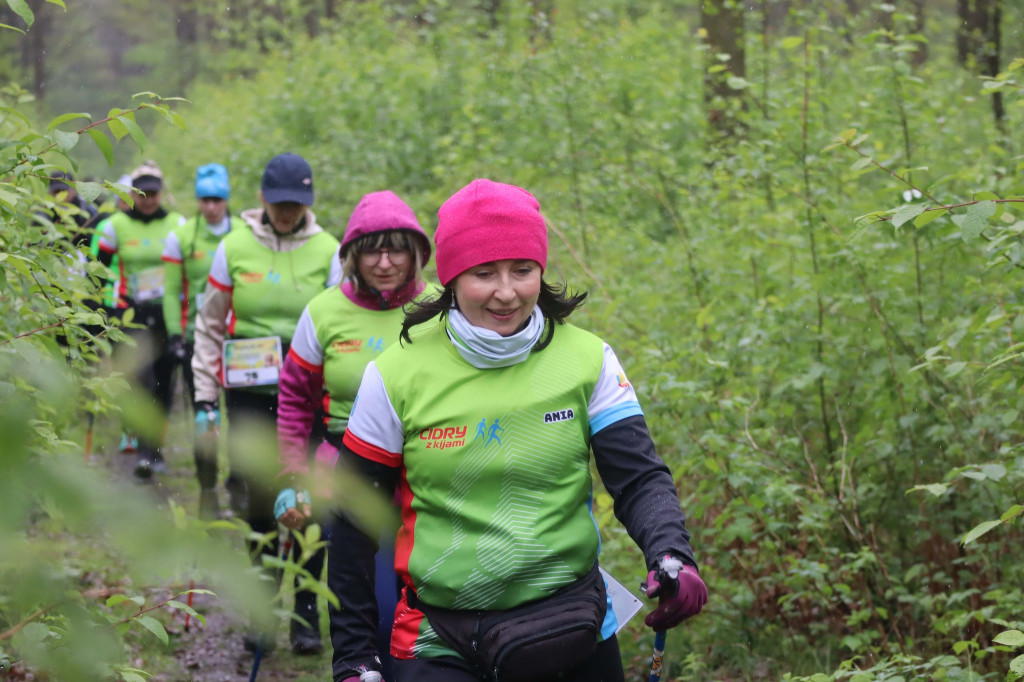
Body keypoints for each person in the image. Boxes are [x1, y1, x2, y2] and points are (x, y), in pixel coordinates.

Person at [328, 179, 708, 682]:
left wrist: (671, 553)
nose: (506, 293)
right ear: (451, 277)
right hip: (441, 638)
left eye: (523, 270)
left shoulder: (587, 359)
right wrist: (354, 655)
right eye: (484, 273)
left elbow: (638, 478)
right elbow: (353, 519)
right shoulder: (395, 374)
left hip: (571, 622)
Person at [190, 152, 342, 652]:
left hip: (309, 399)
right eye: (279, 204)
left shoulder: (328, 251)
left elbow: (340, 327)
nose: (287, 212)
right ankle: (262, 613)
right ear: (261, 198)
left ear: (309, 202)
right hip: (249, 396)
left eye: (296, 204)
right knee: (259, 503)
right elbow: (210, 326)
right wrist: (205, 397)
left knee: (309, 501)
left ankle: (305, 616)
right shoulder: (233, 247)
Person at [275, 190, 432, 664]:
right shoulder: (323, 312)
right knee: (360, 591)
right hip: (340, 466)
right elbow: (295, 397)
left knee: (405, 593)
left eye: (396, 250)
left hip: (419, 469)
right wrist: (291, 474)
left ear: (415, 253)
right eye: (371, 251)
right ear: (352, 257)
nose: (384, 263)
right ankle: (345, 651)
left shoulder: (438, 308)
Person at [161, 163, 245, 518]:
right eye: (204, 200)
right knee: (205, 421)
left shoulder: (244, 235)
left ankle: (238, 485)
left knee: (241, 420)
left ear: (226, 200)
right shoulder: (182, 237)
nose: (211, 207)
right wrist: (175, 335)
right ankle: (207, 489)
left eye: (217, 200)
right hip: (198, 340)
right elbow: (170, 291)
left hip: (240, 342)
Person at [96, 161, 186, 478]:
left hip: (166, 314)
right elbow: (97, 271)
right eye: (142, 193)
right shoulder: (115, 225)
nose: (148, 200)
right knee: (140, 382)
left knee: (163, 384)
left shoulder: (177, 224)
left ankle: (155, 450)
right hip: (129, 314)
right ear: (133, 194)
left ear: (162, 194)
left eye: (154, 193)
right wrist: (100, 312)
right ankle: (143, 448)